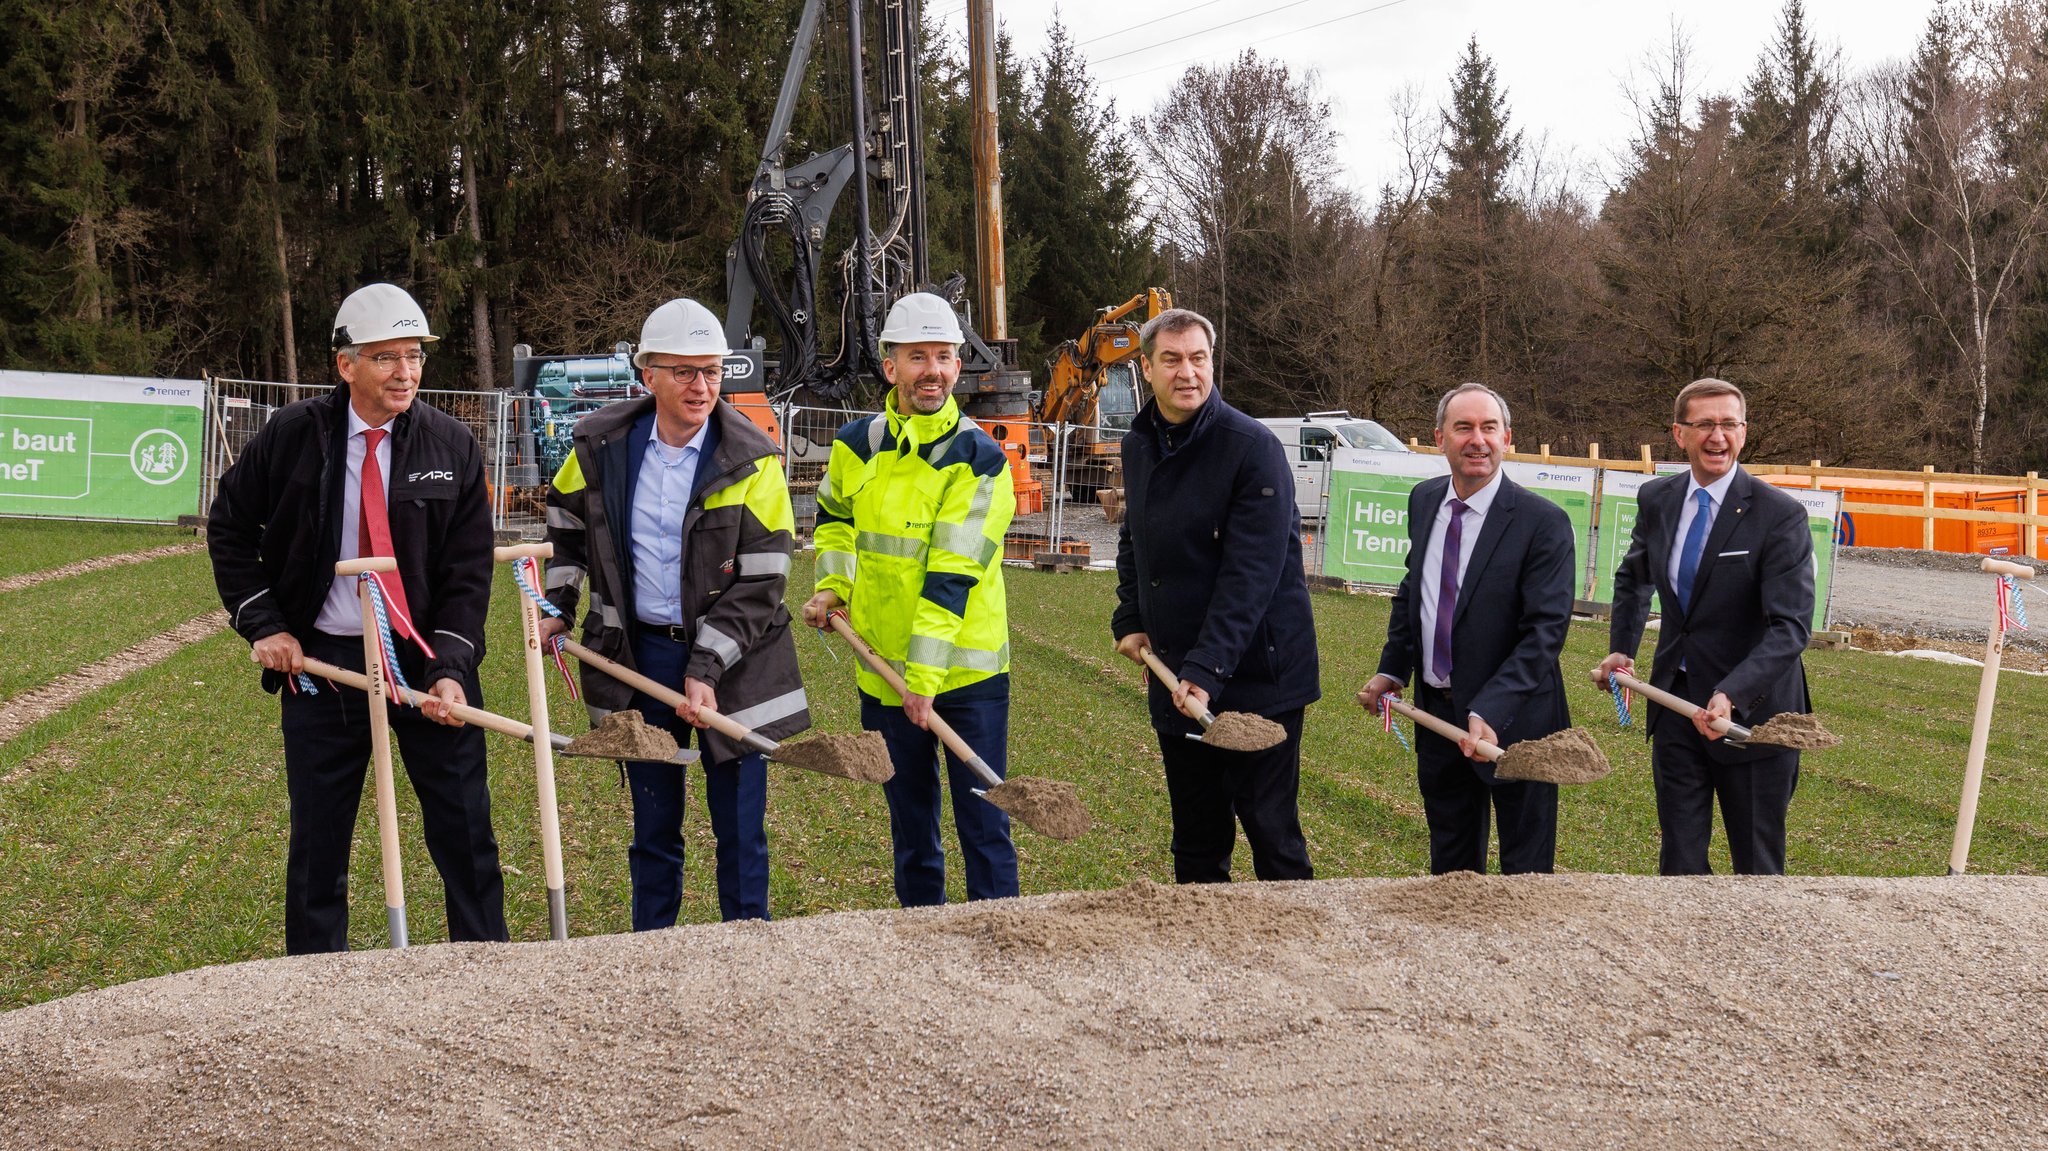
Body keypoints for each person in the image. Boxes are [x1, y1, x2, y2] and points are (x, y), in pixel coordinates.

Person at [208, 282, 507, 953]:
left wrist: (452, 670)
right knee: (318, 845)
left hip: (427, 663)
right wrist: (266, 623)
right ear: (346, 364)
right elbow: (228, 526)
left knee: (466, 833)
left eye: (414, 357)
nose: (406, 373)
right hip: (326, 667)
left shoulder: (451, 445)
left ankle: (490, 975)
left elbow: (468, 572)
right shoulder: (292, 436)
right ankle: (316, 992)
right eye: (386, 359)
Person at [538, 297, 808, 926]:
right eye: (684, 371)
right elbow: (567, 528)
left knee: (741, 832)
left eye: (712, 371)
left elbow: (764, 578)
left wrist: (708, 665)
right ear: (647, 376)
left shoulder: (753, 461)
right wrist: (559, 603)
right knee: (653, 829)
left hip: (735, 664)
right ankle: (652, 955)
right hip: (642, 657)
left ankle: (746, 953)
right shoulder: (600, 448)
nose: (702, 386)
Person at [800, 292, 1019, 907]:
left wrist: (923, 680)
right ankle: (922, 945)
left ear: (957, 366)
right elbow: (836, 519)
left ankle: (1002, 938)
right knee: (911, 827)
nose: (934, 370)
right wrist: (832, 585)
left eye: (944, 357)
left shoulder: (980, 459)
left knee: (984, 823)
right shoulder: (856, 444)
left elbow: (951, 578)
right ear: (889, 366)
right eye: (917, 356)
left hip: (964, 678)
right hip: (881, 671)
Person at [1110, 308, 1317, 884]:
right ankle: (1200, 957)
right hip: (1179, 673)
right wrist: (1130, 612)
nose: (1188, 373)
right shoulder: (1139, 445)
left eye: (1198, 358)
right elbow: (1135, 539)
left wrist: (1207, 666)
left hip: (1257, 674)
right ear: (1145, 370)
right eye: (1171, 360)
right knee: (1197, 836)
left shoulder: (1250, 448)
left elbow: (1252, 573)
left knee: (1270, 829)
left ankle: (1303, 953)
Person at [1595, 378, 1814, 875]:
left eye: (1730, 424)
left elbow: (1791, 626)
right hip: (1676, 703)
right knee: (1680, 862)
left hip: (1753, 717)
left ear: (1743, 431)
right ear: (1680, 434)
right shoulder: (1658, 499)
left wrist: (1731, 692)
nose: (1719, 436)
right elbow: (1633, 577)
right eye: (1705, 425)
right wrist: (1621, 649)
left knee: (1756, 867)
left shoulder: (1779, 516)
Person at [1359, 383, 1575, 875]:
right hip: (1440, 719)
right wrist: (1393, 668)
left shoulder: (1544, 523)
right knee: (1451, 869)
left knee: (1526, 875)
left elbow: (1544, 633)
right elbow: (1415, 591)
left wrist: (1490, 709)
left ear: (1507, 439)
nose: (1477, 440)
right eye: (1463, 428)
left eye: (1488, 428)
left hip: (1519, 727)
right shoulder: (1424, 500)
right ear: (1440, 438)